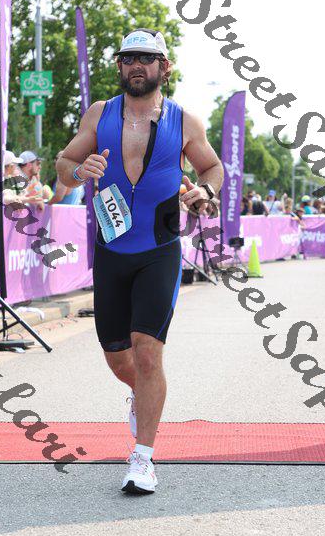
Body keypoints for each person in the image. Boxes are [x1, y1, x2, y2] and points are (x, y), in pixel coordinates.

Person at [56, 28, 223, 494]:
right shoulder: (100, 113)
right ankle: (140, 393)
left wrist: (204, 192)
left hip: (159, 249)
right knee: (118, 356)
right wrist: (79, 171)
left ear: (163, 67)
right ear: (120, 65)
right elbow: (64, 163)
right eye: (128, 58)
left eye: (146, 59)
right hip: (111, 250)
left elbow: (212, 168)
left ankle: (143, 459)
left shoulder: (184, 120)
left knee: (147, 350)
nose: (136, 65)